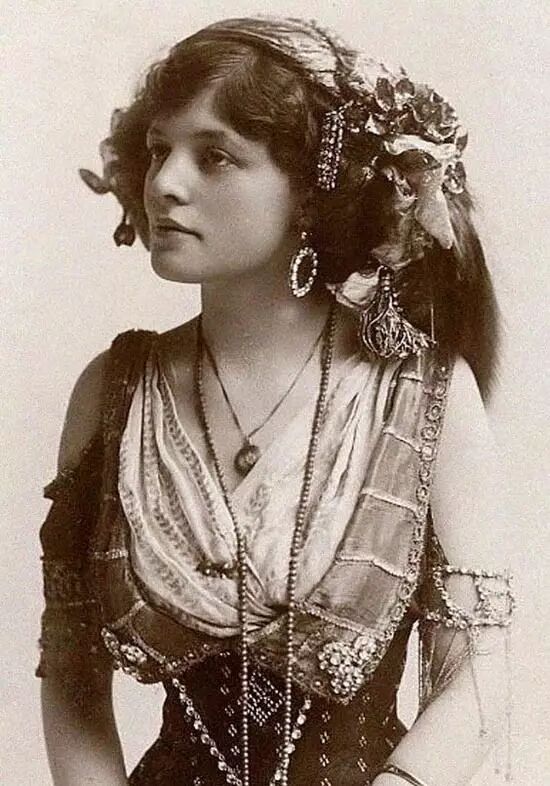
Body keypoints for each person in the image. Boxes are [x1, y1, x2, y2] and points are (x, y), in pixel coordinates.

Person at [37, 16, 515, 786]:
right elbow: (72, 672)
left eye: (215, 156)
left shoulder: (422, 392)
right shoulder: (115, 390)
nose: (165, 183)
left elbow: (477, 675)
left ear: (311, 192)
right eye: (158, 149)